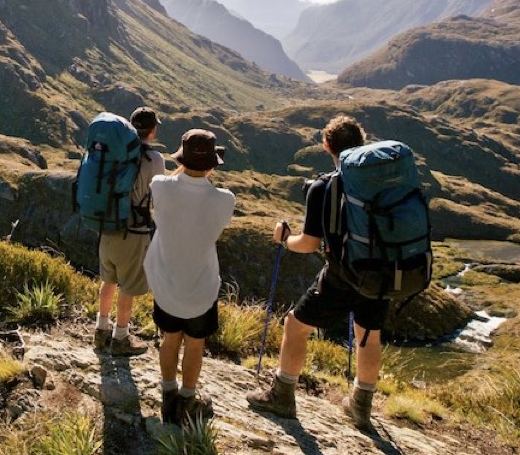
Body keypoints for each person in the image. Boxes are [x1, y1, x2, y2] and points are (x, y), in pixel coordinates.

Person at [246, 114, 383, 430]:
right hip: (380, 271)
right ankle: (360, 407)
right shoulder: (378, 181)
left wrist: (283, 239)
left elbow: (308, 244)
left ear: (326, 146)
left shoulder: (324, 187)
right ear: (361, 143)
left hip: (342, 274)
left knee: (294, 326)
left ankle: (282, 395)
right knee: (368, 335)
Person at [144, 128, 235, 425]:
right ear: (212, 165)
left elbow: (165, 182)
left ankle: (168, 393)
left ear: (181, 160)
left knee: (170, 338)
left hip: (167, 283)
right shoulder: (225, 199)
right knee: (195, 343)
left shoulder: (160, 186)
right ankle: (187, 397)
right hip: (201, 287)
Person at [94, 107, 166, 356]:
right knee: (128, 286)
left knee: (108, 279)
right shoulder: (154, 159)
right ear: (153, 130)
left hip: (107, 225)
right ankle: (121, 338)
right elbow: (160, 195)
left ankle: (101, 330)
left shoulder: (115, 152)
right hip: (134, 232)